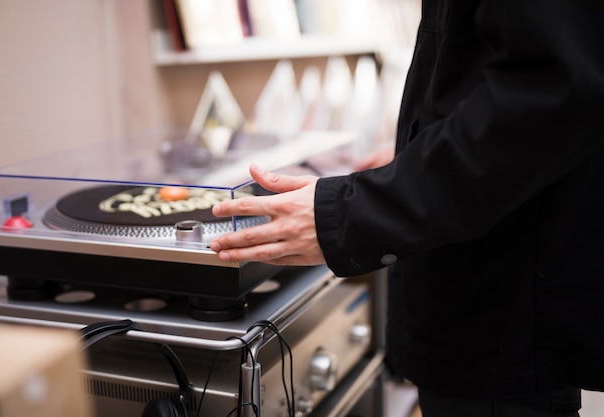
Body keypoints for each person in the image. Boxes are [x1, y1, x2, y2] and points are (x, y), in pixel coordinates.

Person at [209, 1, 604, 416]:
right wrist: (408, 157)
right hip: (481, 304)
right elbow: (477, 81)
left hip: (501, 317)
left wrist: (348, 214)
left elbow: (548, 93)